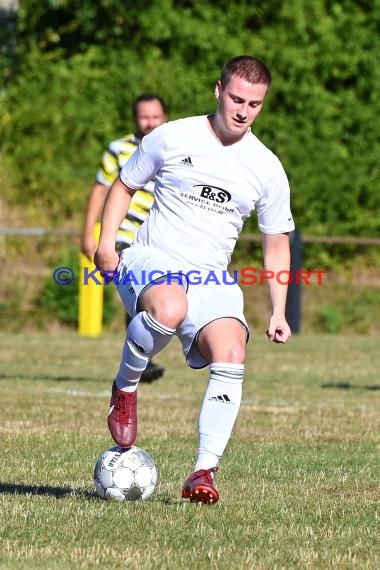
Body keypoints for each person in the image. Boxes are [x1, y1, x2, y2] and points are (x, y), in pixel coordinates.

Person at [95, 56, 295, 505]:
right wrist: (107, 244)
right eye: (237, 99)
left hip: (211, 277)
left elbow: (276, 240)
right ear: (218, 90)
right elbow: (124, 186)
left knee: (233, 350)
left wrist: (279, 309)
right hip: (152, 258)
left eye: (255, 104)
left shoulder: (266, 167)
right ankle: (125, 389)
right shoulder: (171, 136)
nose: (243, 111)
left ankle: (203, 471)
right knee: (170, 308)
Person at [82, 93, 168, 383]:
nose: (150, 122)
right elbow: (100, 189)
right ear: (135, 119)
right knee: (139, 298)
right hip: (124, 237)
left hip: (161, 239)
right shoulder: (119, 149)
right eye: (144, 116)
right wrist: (88, 233)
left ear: (165, 117)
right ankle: (143, 360)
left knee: (159, 299)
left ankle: (142, 358)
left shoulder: (175, 146)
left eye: (156, 116)